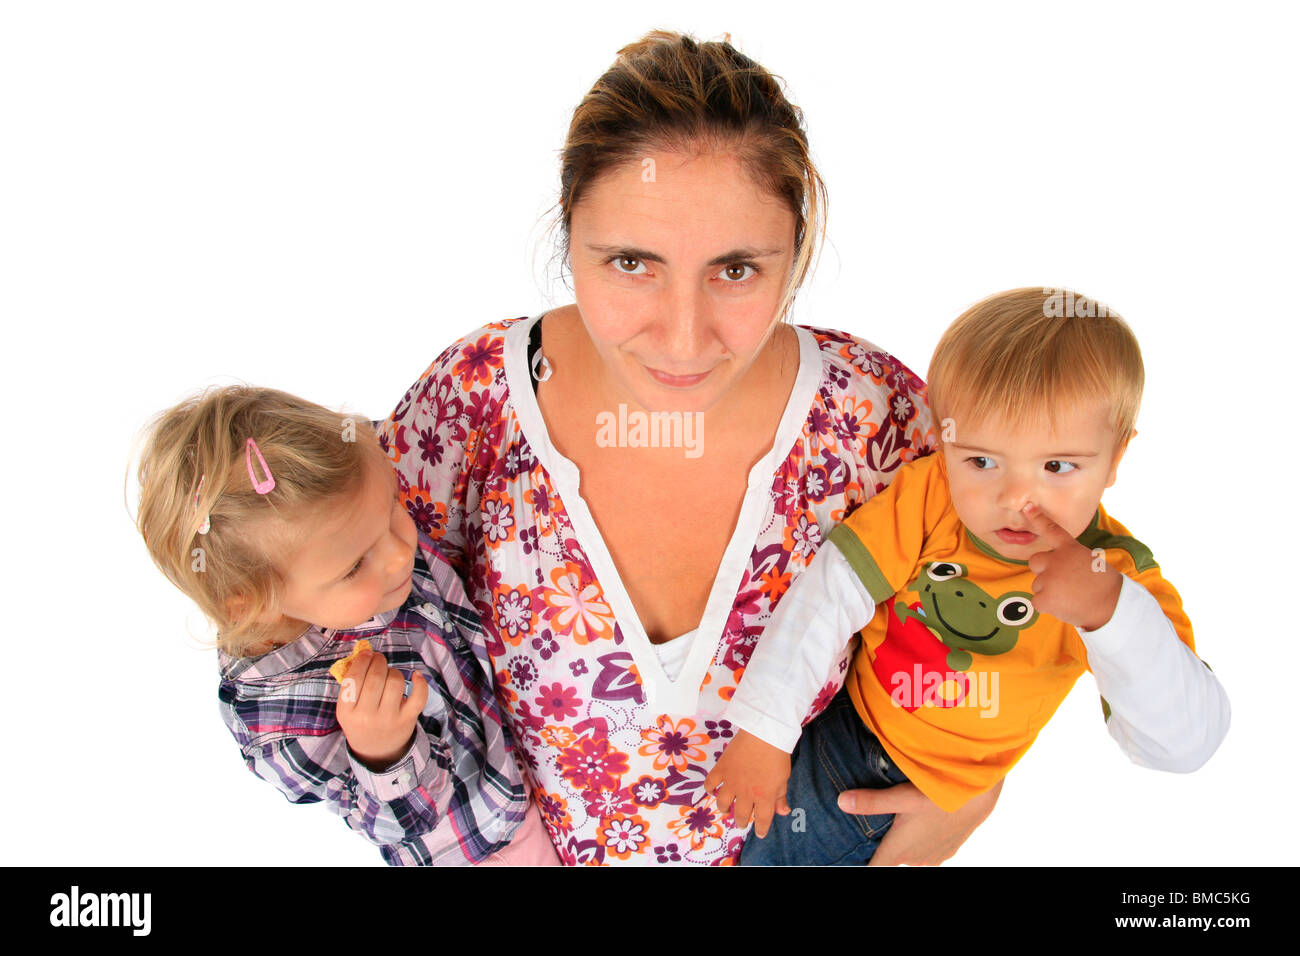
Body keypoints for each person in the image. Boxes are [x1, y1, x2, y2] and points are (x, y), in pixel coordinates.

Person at [377, 30, 1000, 865]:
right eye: (631, 262)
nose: (682, 335)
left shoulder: (877, 417)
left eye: (736, 269)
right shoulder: (475, 399)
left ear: (796, 249)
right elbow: (334, 626)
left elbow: (1002, 609)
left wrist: (976, 785)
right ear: (567, 238)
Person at [704, 288, 1231, 865]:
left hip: (936, 790)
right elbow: (831, 594)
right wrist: (764, 730)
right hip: (846, 740)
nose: (1015, 498)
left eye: (1057, 466)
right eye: (981, 460)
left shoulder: (1116, 574)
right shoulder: (930, 495)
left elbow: (1184, 746)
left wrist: (1111, 613)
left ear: (1116, 459)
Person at [135, 385, 559, 865]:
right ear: (256, 606)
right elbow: (398, 825)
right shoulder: (278, 718)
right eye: (356, 564)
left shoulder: (344, 503)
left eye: (392, 507)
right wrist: (383, 753)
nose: (402, 553)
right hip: (492, 841)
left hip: (526, 747)